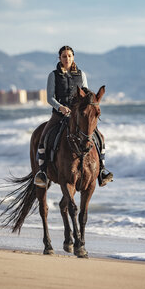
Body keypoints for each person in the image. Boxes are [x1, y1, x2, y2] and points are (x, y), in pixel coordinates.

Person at [34, 45, 113, 187]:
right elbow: (50, 98)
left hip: (78, 115)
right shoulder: (53, 75)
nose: (67, 59)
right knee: (43, 138)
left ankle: (101, 171)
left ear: (73, 57)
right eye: (64, 56)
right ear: (59, 58)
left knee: (100, 137)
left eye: (69, 56)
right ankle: (42, 173)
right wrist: (60, 107)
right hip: (59, 115)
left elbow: (86, 94)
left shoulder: (81, 75)